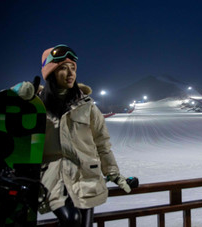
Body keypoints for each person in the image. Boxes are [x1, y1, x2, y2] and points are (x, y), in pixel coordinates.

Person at [35, 44, 131, 227]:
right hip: (54, 179)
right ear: (51, 73)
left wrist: (113, 174)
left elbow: (102, 144)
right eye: (63, 68)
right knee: (72, 219)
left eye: (73, 68)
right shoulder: (37, 106)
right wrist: (18, 94)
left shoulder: (88, 107)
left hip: (86, 178)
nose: (70, 73)